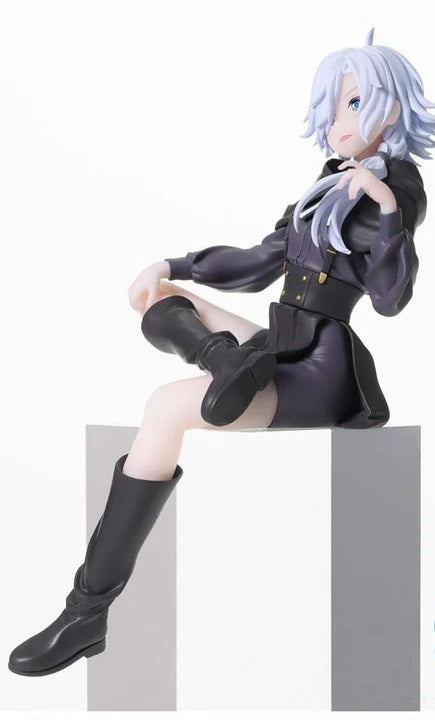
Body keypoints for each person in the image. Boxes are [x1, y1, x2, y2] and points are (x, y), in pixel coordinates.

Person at [8, 28, 434, 676]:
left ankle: (86, 613)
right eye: (331, 108)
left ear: (391, 107)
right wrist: (174, 263)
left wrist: (389, 214)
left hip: (320, 366)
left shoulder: (394, 192)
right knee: (162, 297)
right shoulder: (325, 185)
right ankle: (224, 360)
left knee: (165, 406)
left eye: (352, 104)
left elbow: (390, 298)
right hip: (280, 343)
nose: (337, 123)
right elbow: (261, 261)